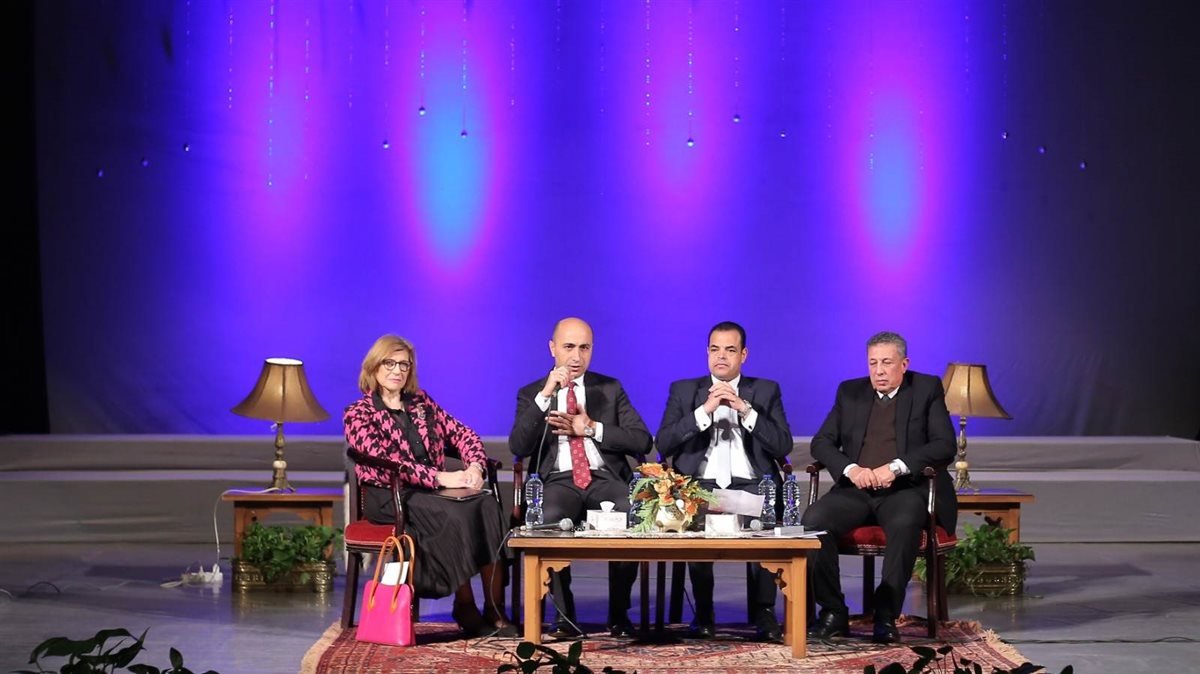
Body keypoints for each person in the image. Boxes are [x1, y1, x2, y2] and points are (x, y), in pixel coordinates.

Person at [344, 334, 519, 638]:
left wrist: (475, 466)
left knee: (486, 504)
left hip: (430, 492)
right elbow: (388, 462)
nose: (398, 370)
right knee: (454, 514)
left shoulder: (421, 403)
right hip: (389, 496)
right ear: (374, 366)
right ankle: (465, 604)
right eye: (390, 363)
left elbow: (464, 434)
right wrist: (440, 478)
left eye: (404, 365)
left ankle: (494, 608)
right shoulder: (358, 413)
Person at [802, 331, 956, 644]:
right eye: (873, 363)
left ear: (904, 364)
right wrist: (851, 469)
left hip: (905, 489)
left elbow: (945, 445)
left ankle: (885, 616)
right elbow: (822, 442)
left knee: (905, 523)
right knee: (813, 523)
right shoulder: (850, 392)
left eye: (887, 363)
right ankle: (833, 612)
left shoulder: (926, 388)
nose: (879, 371)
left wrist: (896, 467)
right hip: (856, 491)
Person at [508, 317, 653, 638]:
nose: (576, 357)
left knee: (633, 513)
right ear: (552, 348)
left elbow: (642, 440)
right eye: (569, 347)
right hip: (558, 480)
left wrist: (591, 428)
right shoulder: (532, 393)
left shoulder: (610, 389)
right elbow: (519, 446)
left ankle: (619, 614)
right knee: (548, 518)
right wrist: (546, 394)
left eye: (584, 348)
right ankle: (564, 616)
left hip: (604, 478)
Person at [655, 321, 793, 643]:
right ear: (707, 353)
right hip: (700, 487)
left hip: (752, 485)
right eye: (715, 349)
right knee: (695, 519)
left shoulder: (766, 390)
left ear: (743, 355)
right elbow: (664, 442)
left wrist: (745, 410)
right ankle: (704, 613)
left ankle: (764, 612)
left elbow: (782, 445)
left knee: (763, 525)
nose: (721, 356)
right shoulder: (684, 390)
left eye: (730, 350)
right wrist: (705, 411)